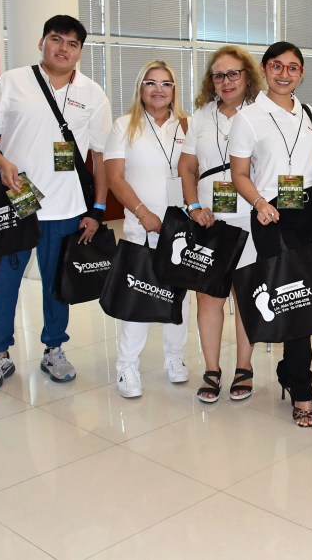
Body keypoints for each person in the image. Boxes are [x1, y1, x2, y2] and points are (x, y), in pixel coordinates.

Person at [0, 15, 111, 393]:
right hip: (19, 200)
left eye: (72, 44)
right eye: (56, 39)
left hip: (66, 207)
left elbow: (101, 156)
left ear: (80, 51)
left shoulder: (92, 93)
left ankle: (54, 349)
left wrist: (98, 210)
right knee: (5, 282)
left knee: (57, 284)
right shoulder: (11, 82)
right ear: (41, 43)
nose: (63, 49)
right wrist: (2, 163)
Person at [229, 41, 312, 428]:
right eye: (277, 66)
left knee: (307, 298)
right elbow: (239, 174)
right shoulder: (248, 117)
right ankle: (302, 390)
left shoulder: (311, 114)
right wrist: (258, 203)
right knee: (293, 299)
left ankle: (289, 369)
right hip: (272, 214)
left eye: (293, 68)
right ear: (264, 69)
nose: (284, 74)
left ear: (301, 73)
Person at [179, 47, 263, 404]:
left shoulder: (261, 113)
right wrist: (193, 206)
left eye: (233, 74)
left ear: (247, 76)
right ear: (210, 81)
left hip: (251, 218)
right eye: (218, 75)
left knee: (245, 295)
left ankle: (244, 366)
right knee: (208, 297)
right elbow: (187, 168)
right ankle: (212, 369)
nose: (226, 81)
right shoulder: (200, 117)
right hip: (209, 220)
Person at [104, 60, 191, 398]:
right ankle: (127, 366)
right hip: (143, 226)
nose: (159, 89)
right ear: (140, 87)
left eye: (166, 83)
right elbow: (115, 178)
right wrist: (142, 213)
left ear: (174, 90)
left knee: (179, 297)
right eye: (151, 83)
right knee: (138, 295)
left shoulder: (186, 125)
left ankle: (175, 358)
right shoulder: (124, 125)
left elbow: (194, 172)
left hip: (180, 227)